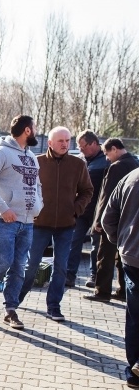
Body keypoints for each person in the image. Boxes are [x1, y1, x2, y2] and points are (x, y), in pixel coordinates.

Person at [0, 114, 43, 329]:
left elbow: (37, 185)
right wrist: (4, 208)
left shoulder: (31, 156)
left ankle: (10, 310)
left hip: (28, 221)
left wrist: (38, 206)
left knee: (19, 267)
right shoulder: (1, 152)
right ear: (27, 131)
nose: (36, 132)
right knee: (3, 262)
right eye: (35, 128)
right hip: (4, 221)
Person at [17, 127, 93, 322]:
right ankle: (14, 301)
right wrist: (31, 210)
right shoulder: (37, 162)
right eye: (60, 140)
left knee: (60, 268)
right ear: (50, 143)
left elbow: (87, 190)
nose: (64, 144)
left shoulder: (78, 164)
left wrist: (76, 209)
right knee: (31, 266)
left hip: (66, 226)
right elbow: (24, 188)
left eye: (67, 140)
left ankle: (53, 306)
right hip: (39, 224)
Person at [84, 138, 139, 303]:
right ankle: (123, 290)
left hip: (113, 219)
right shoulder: (135, 163)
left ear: (114, 149)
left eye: (107, 153)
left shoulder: (116, 167)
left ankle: (102, 291)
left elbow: (107, 195)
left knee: (105, 256)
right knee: (123, 257)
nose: (107, 158)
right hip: (130, 220)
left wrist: (99, 221)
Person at [101, 167, 139, 389]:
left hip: (132, 257)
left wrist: (121, 242)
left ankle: (134, 371)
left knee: (135, 315)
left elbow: (108, 218)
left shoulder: (130, 177)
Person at [66, 130, 109, 287]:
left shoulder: (107, 160)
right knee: (73, 242)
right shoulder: (80, 160)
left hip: (99, 211)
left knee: (97, 245)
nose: (80, 149)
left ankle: (95, 277)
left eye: (82, 145)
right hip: (81, 210)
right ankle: (69, 275)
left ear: (93, 144)